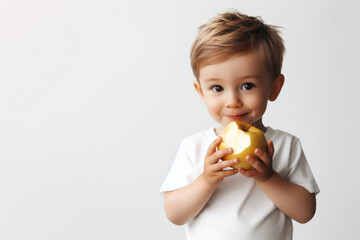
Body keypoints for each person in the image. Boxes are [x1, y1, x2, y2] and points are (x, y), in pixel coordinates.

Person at [160, 10, 319, 240]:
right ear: (201, 92)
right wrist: (206, 181)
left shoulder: (285, 145)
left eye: (247, 86)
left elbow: (305, 212)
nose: (232, 102)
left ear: (274, 88)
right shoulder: (194, 147)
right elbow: (174, 214)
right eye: (217, 88)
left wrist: (268, 178)